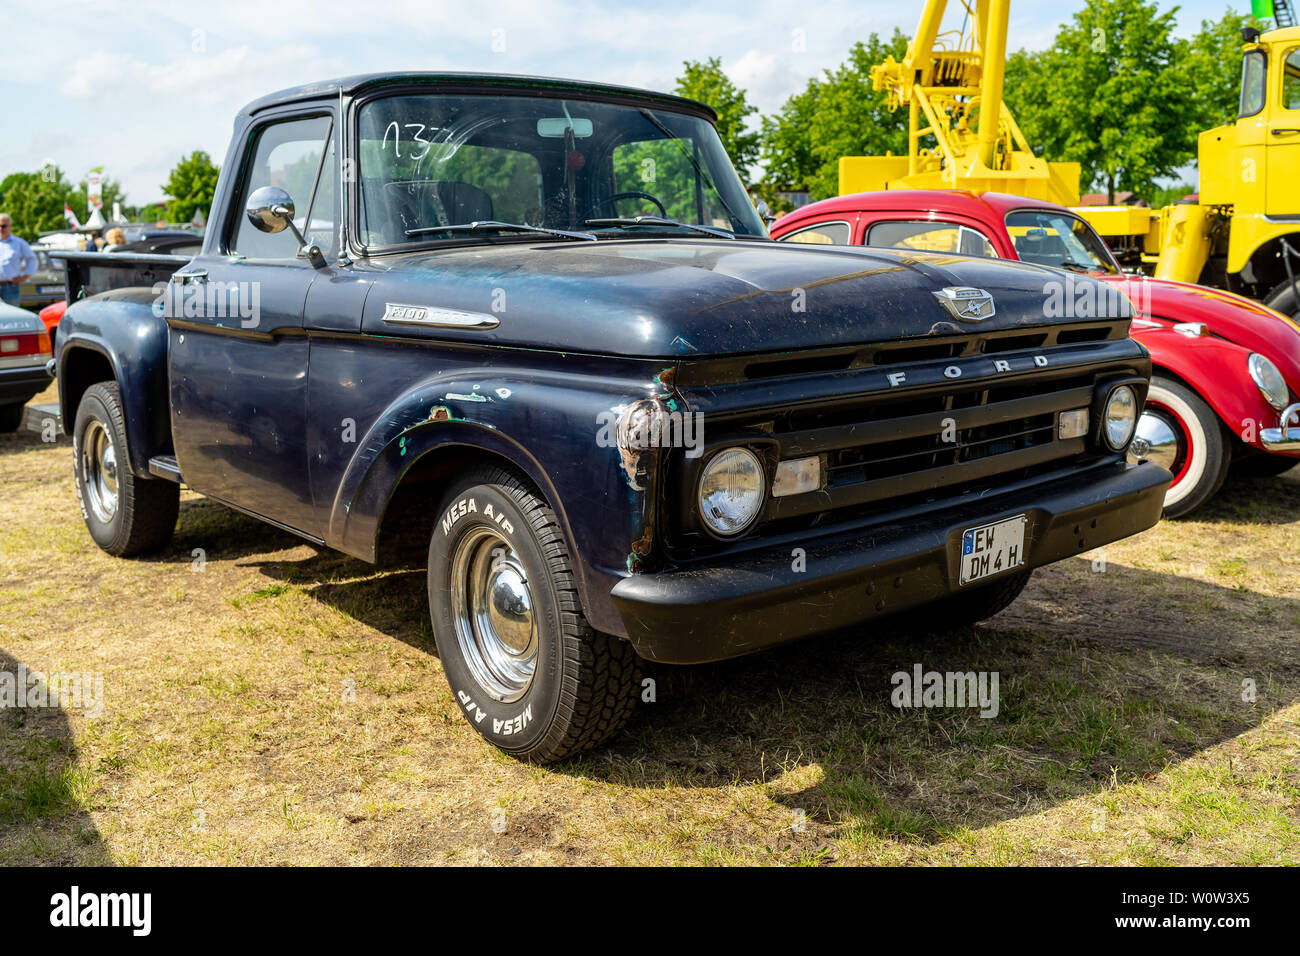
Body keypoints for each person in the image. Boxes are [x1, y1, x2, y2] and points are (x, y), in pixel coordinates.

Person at [0, 213, 38, 307]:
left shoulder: (19, 243)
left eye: (4, 226)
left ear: (10, 227)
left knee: (11, 318)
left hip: (10, 288)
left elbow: (32, 259)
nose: (1, 228)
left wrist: (25, 276)